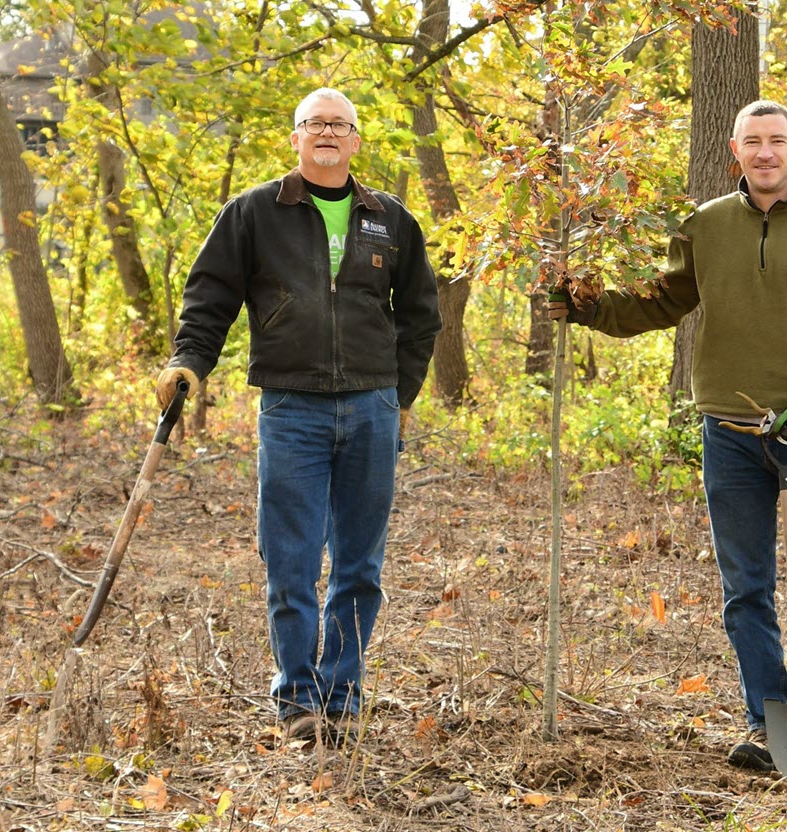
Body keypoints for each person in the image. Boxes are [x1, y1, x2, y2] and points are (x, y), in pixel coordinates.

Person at [548, 100, 787, 785]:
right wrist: (587, 305)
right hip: (729, 432)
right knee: (745, 589)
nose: (764, 152)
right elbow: (661, 300)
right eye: (752, 142)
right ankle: (769, 719)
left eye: (775, 140)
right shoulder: (706, 226)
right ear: (735, 151)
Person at [155, 87, 442, 745]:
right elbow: (211, 297)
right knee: (290, 562)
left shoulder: (390, 218)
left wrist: (398, 398)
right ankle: (297, 702)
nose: (327, 134)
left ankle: (342, 697)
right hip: (291, 409)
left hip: (372, 409)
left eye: (340, 125)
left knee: (358, 567)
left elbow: (422, 315)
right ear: (295, 137)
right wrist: (189, 362)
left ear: (356, 141)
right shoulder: (254, 212)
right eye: (315, 123)